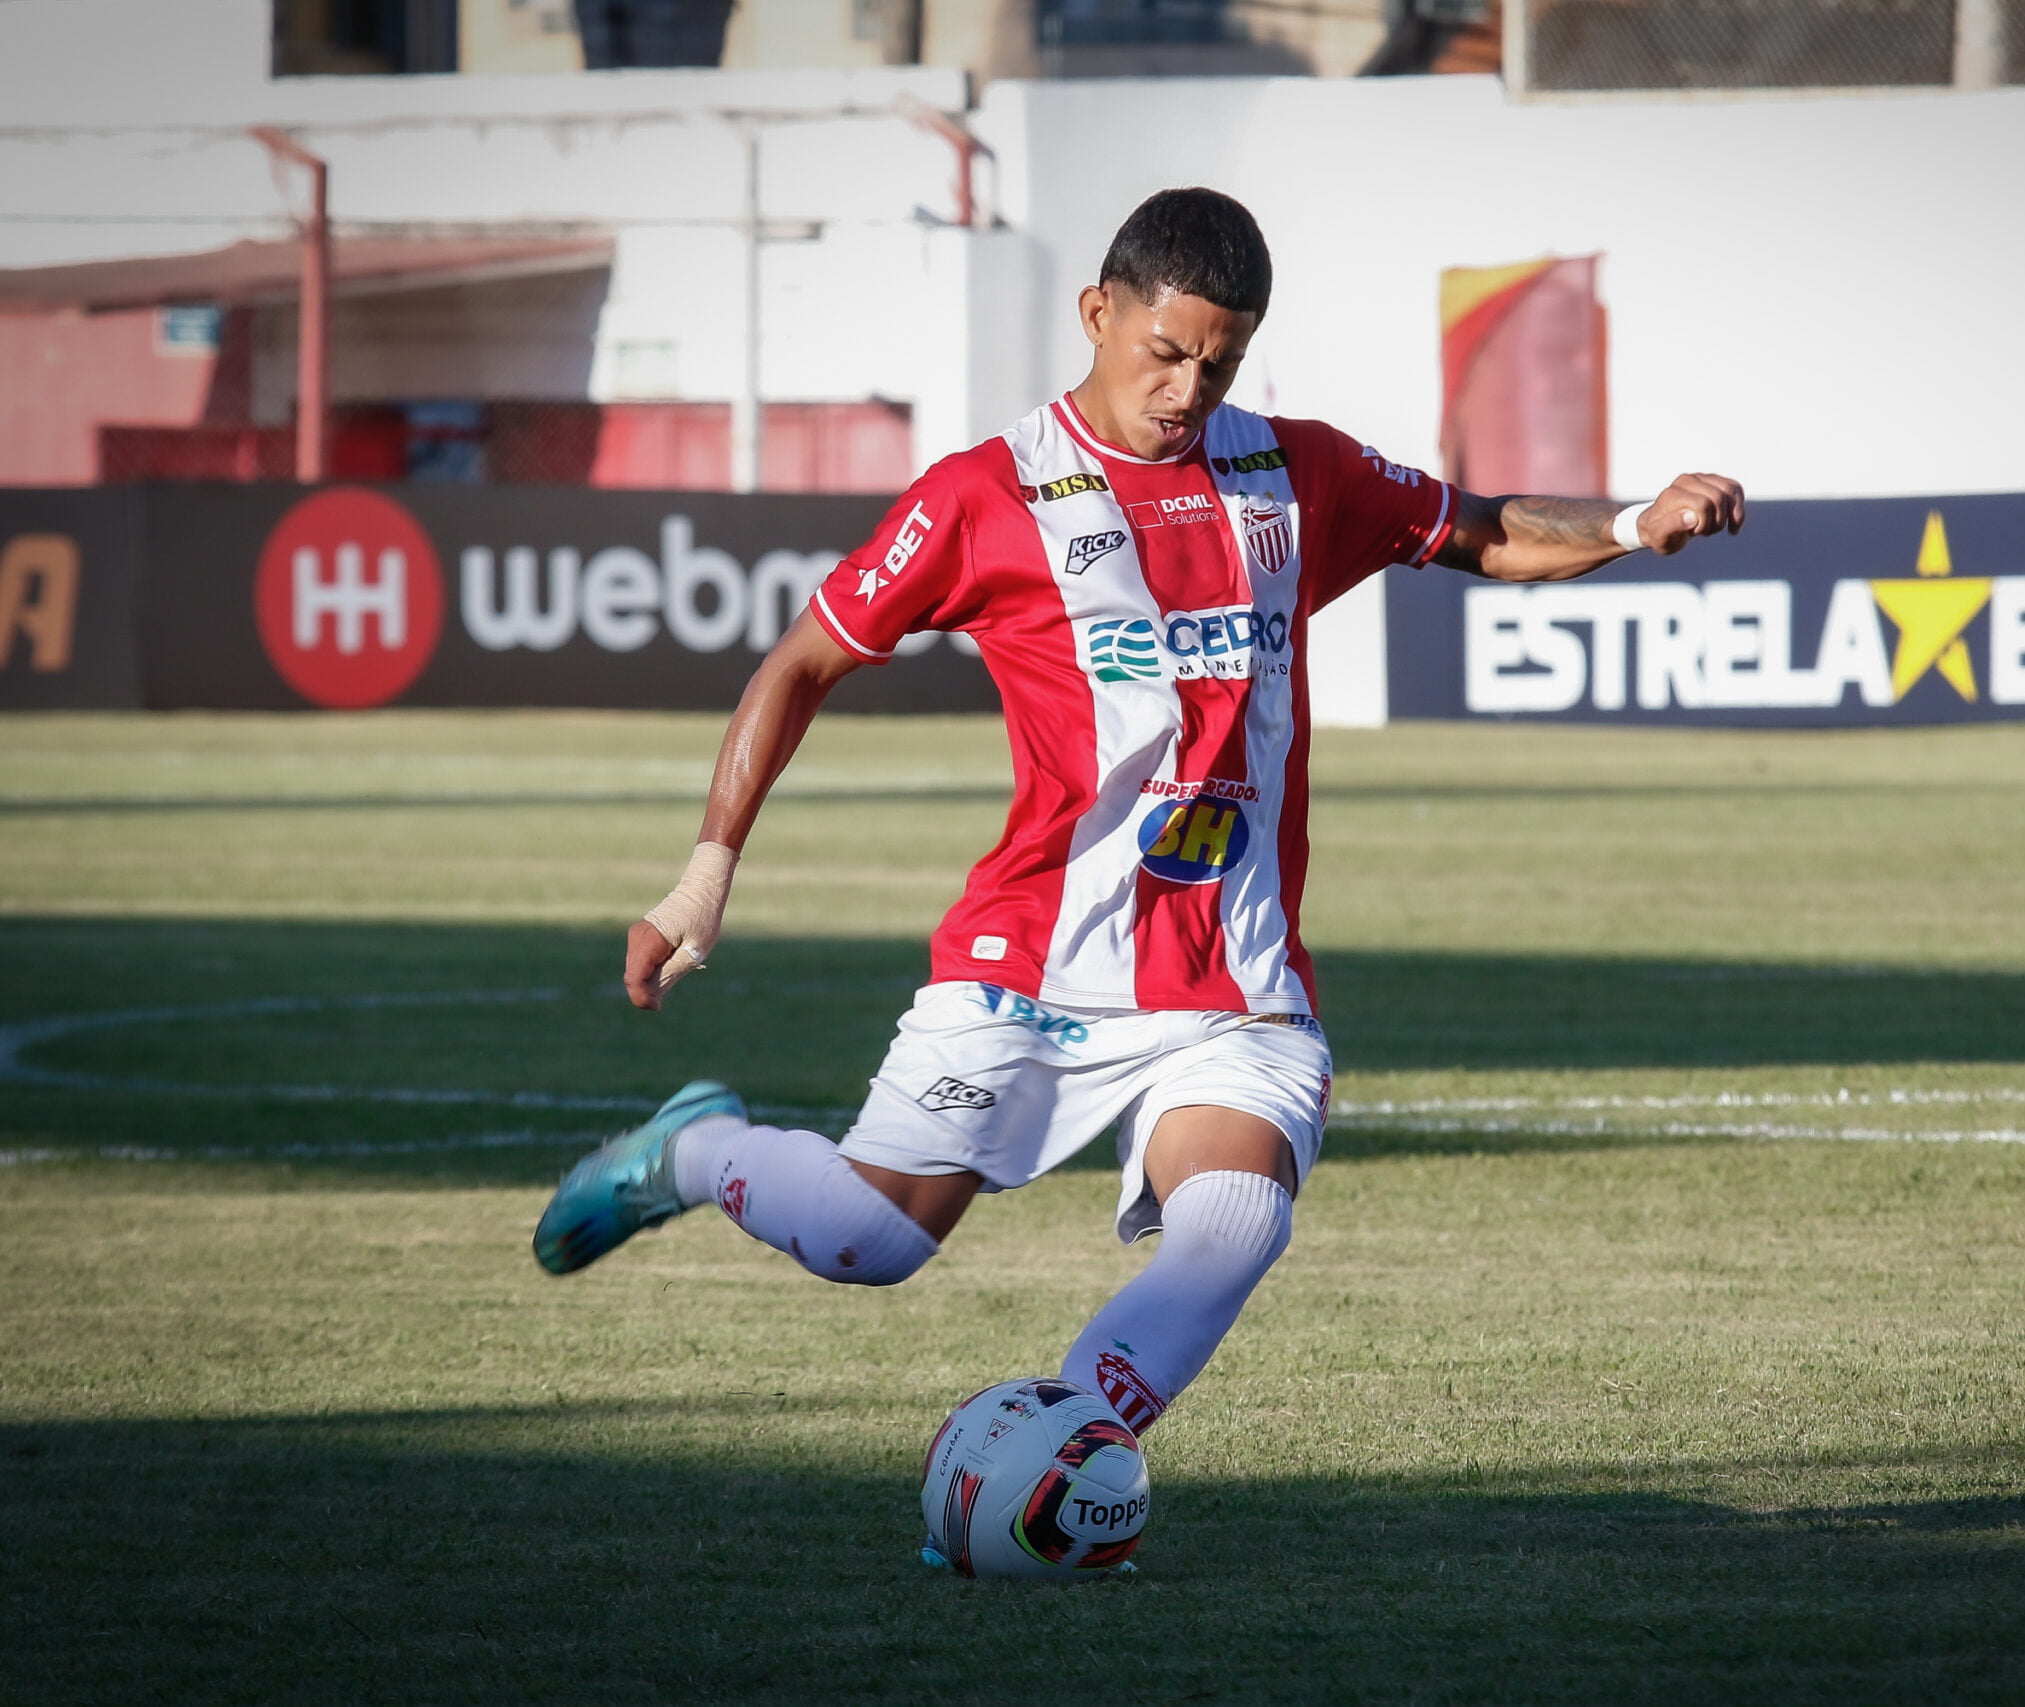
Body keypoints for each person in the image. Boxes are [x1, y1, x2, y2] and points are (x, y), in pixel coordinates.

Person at [532, 187, 1744, 1440]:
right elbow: (800, 664)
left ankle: (1066, 1443)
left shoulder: (1291, 471)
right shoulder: (985, 494)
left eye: (1218, 366)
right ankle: (693, 1152)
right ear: (1098, 314)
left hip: (1231, 979)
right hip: (1034, 965)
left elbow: (1478, 531)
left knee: (1233, 1224)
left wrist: (1629, 523)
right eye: (1164, 353)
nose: (1187, 391)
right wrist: (701, 879)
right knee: (863, 1243)